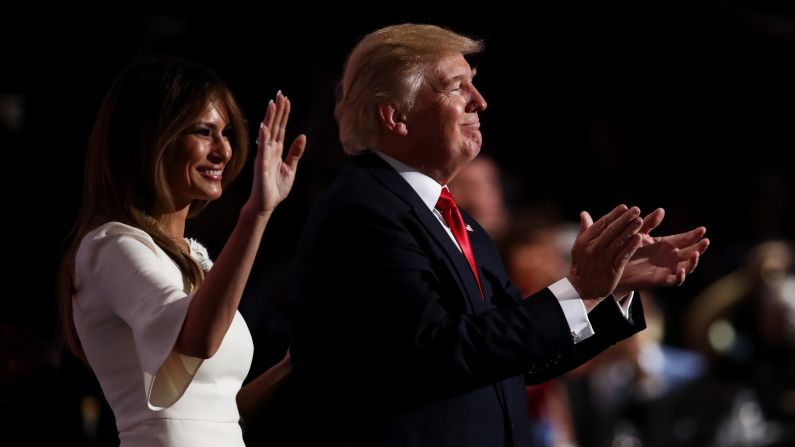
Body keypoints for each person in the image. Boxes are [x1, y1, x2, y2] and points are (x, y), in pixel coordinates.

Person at [287, 23, 708, 447]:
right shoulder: (363, 212)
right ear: (396, 116)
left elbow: (521, 357)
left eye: (475, 84)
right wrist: (579, 287)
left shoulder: (458, 221)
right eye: (457, 87)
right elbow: (441, 354)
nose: (480, 101)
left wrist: (607, 289)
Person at [57, 57, 306, 446]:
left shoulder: (195, 257)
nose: (223, 150)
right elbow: (197, 341)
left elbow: (217, 415)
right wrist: (256, 213)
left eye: (226, 133)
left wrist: (291, 367)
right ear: (152, 140)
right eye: (204, 132)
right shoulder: (110, 247)